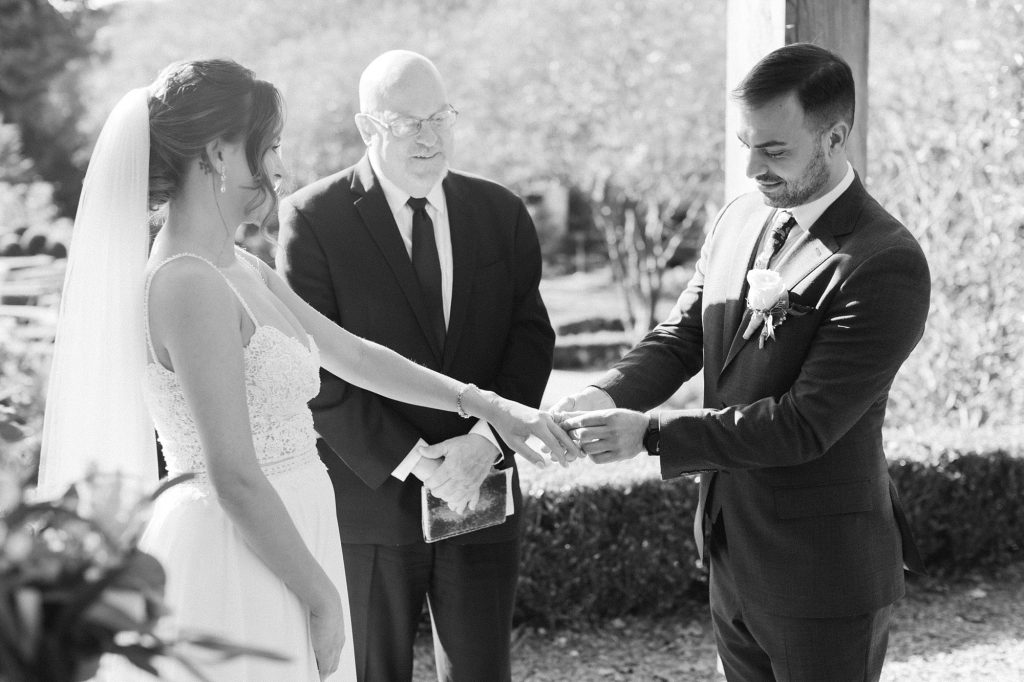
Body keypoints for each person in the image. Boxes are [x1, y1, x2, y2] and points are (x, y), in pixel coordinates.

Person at [37, 59, 575, 682]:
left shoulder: (242, 268)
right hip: (234, 556)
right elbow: (233, 475)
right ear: (218, 153)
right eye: (270, 148)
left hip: (294, 533)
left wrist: (485, 405)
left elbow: (352, 354)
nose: (282, 168)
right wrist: (321, 600)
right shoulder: (188, 284)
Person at [555, 43, 930, 681]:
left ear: (836, 136)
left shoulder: (882, 260)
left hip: (823, 571)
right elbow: (683, 337)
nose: (753, 167)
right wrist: (603, 395)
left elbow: (804, 423)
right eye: (745, 144)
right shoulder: (738, 218)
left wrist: (649, 435)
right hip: (732, 547)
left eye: (774, 150)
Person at [276, 50, 554, 682]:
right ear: (366, 126)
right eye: (408, 123)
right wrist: (421, 461)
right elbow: (312, 373)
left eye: (440, 117)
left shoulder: (500, 211)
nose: (430, 138)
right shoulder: (311, 220)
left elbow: (529, 339)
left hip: (482, 488)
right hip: (371, 499)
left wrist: (484, 441)